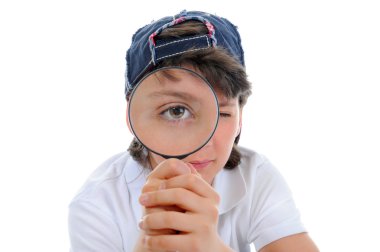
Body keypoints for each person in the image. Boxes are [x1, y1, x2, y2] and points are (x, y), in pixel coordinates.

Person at [68, 10, 319, 252]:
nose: (202, 142)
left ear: (240, 119)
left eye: (222, 114)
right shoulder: (97, 204)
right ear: (134, 118)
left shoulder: (255, 176)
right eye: (176, 111)